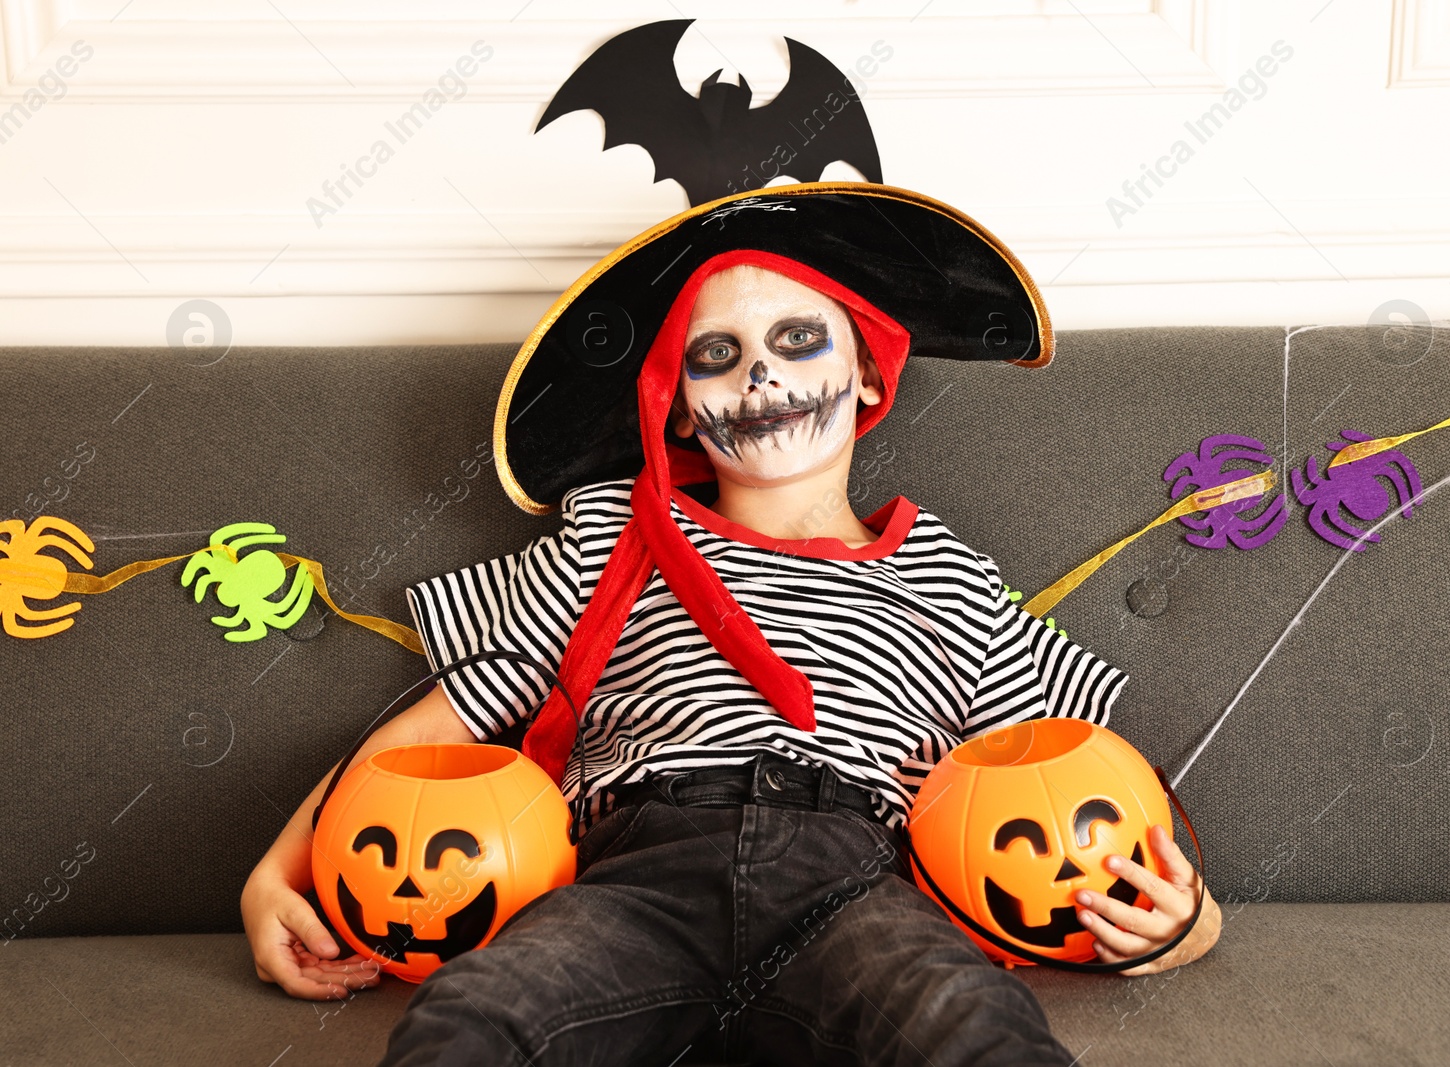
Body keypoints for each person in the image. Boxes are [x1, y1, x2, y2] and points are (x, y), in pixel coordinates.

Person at [240, 183, 1221, 1066]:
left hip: (852, 869)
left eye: (798, 340)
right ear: (675, 411)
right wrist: (279, 870)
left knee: (968, 1019)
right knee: (475, 1015)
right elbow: (432, 739)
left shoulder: (945, 572)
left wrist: (1192, 917)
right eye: (718, 356)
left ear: (870, 375)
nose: (762, 374)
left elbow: (1074, 770)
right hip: (634, 865)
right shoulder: (606, 538)